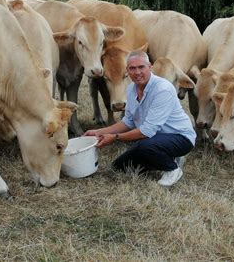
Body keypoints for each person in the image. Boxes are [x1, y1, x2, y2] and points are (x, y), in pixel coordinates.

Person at [84, 50, 196, 186]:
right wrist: (99, 132)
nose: (137, 72)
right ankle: (168, 158)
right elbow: (128, 121)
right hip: (154, 139)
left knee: (145, 147)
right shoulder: (131, 89)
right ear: (127, 71)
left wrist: (114, 137)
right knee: (120, 166)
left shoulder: (163, 89)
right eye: (132, 68)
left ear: (150, 67)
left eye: (141, 67)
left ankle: (172, 168)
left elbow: (146, 132)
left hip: (179, 137)